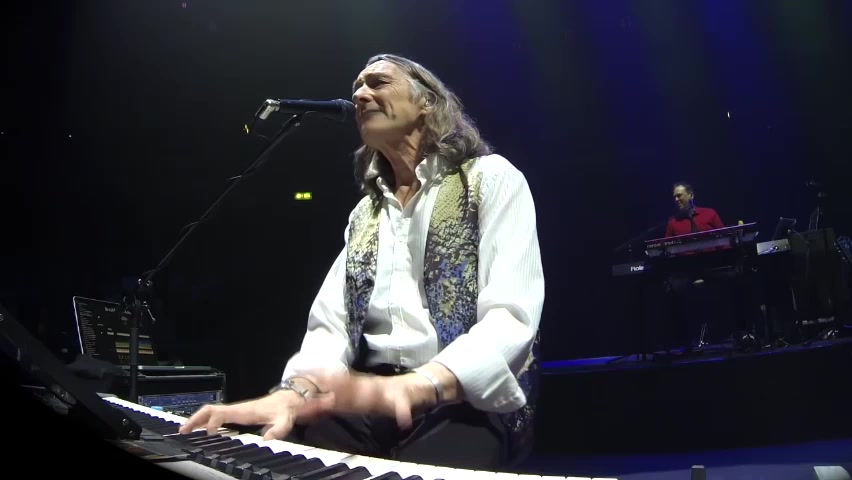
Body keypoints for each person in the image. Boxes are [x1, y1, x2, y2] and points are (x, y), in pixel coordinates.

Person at [179, 53, 545, 472]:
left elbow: (510, 315)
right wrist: (295, 393)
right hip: (368, 399)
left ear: (427, 102)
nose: (360, 95)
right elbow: (330, 327)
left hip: (462, 400)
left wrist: (422, 384)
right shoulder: (364, 216)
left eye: (377, 82)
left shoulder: (490, 178)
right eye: (357, 87)